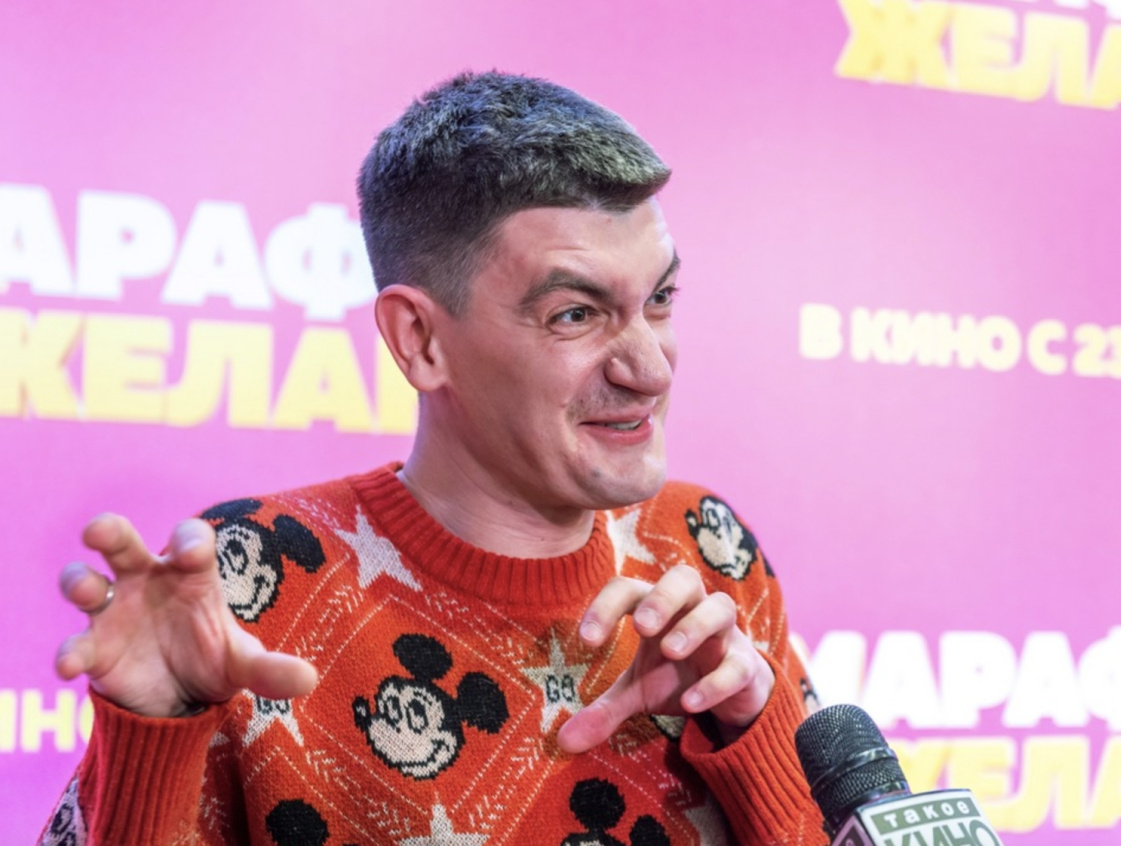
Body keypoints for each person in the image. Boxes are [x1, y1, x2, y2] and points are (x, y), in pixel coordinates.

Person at [42, 72, 827, 846]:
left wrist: (754, 734)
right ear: (419, 340)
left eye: (658, 300)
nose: (650, 369)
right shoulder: (248, 579)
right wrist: (152, 738)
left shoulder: (705, 544)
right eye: (576, 315)